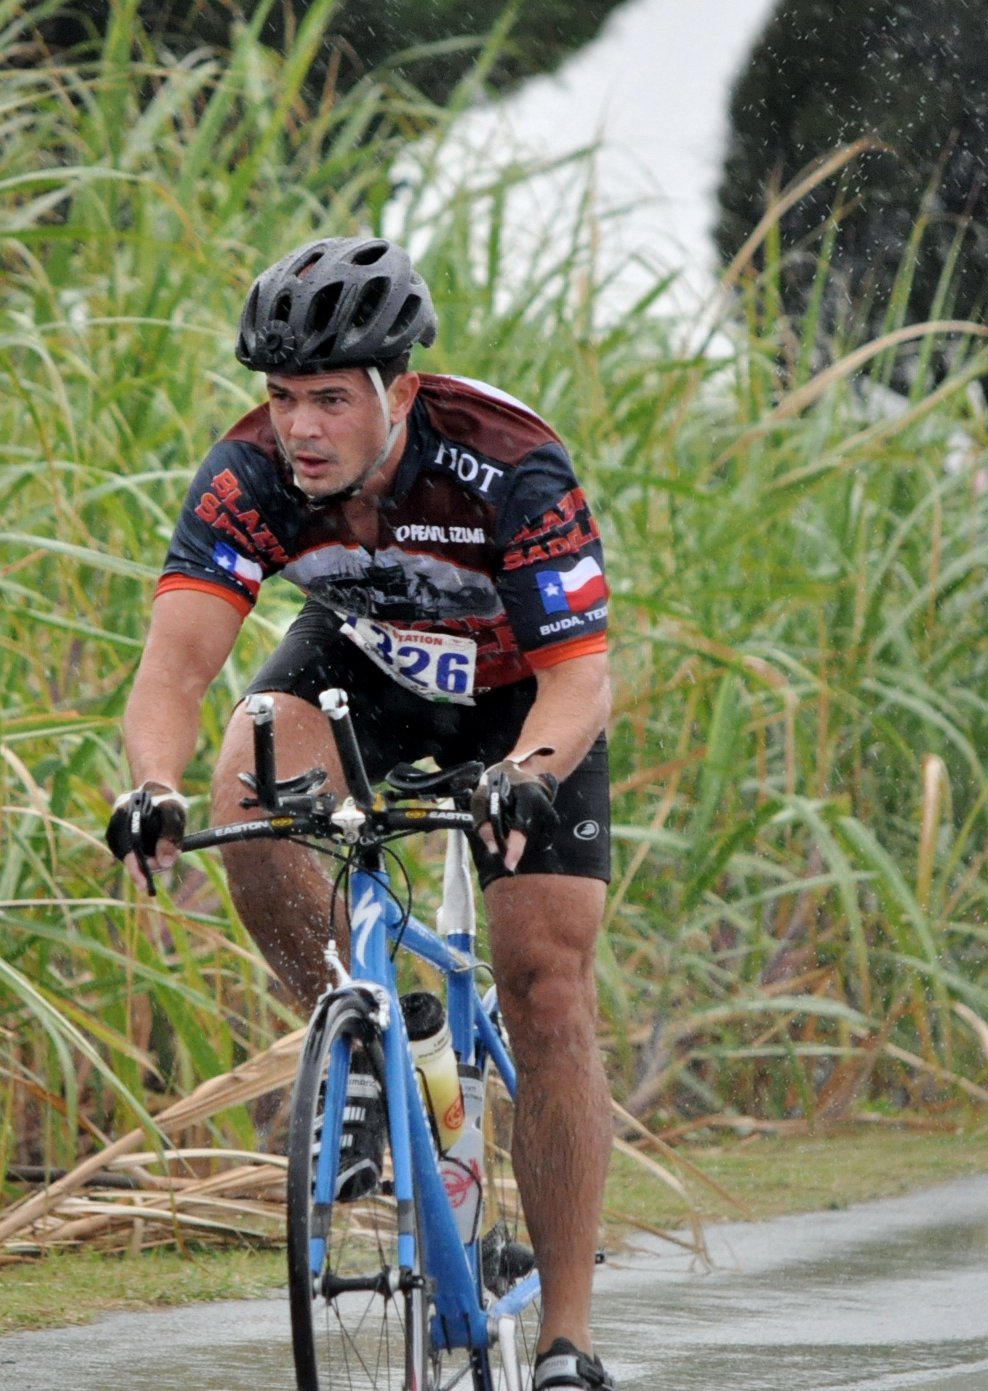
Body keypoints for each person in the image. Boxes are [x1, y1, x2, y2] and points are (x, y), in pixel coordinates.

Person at [104, 236, 616, 1391]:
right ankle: (375, 1045)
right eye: (283, 396)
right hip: (364, 668)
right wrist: (151, 784)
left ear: (401, 389)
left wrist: (529, 768)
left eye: (330, 398)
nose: (300, 426)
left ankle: (566, 1336)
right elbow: (175, 668)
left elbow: (580, 679)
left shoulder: (509, 463)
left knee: (546, 984)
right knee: (244, 788)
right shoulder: (249, 474)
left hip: (520, 701)